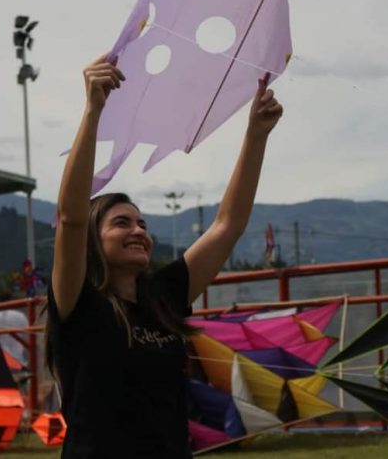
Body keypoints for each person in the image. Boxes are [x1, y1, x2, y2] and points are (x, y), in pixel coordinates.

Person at [46, 54, 283, 458]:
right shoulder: (79, 301)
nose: (139, 231)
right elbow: (70, 218)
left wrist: (256, 135)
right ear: (93, 240)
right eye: (122, 223)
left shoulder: (163, 296)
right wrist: (93, 111)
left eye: (142, 224)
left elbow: (227, 225)